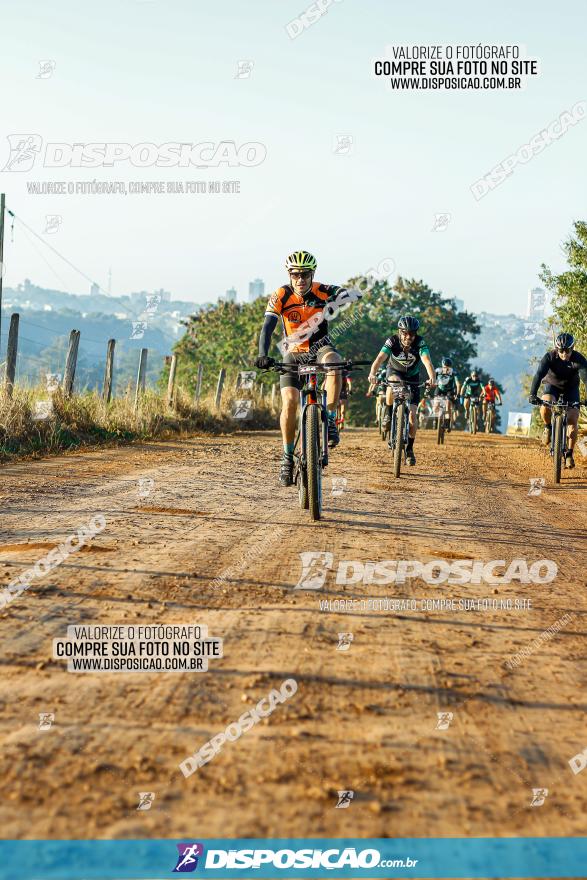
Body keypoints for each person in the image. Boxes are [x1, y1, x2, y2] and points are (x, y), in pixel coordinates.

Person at [254, 250, 361, 486]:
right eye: (296, 275)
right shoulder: (281, 295)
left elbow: (344, 293)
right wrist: (263, 355)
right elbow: (267, 327)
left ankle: (330, 419)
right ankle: (287, 457)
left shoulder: (323, 290)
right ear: (289, 275)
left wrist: (348, 295)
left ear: (312, 274)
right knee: (290, 402)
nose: (300, 279)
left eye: (305, 274)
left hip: (321, 348)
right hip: (292, 353)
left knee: (335, 363)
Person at [368, 315, 435, 465]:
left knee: (412, 417)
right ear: (400, 332)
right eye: (405, 333)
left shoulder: (420, 343)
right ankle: (388, 412)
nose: (408, 337)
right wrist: (373, 373)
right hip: (394, 372)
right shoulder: (392, 341)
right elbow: (379, 358)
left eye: (412, 333)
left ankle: (410, 449)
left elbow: (427, 361)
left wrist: (432, 378)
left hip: (413, 377)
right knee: (393, 383)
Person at [529, 332, 587, 469]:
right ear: (556, 349)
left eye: (567, 350)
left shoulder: (579, 359)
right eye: (561, 350)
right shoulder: (549, 357)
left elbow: (586, 379)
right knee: (545, 405)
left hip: (571, 389)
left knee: (572, 422)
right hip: (552, 386)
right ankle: (548, 427)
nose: (564, 353)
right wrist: (532, 394)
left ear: (572, 348)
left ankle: (569, 454)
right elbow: (538, 375)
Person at [433, 357, 460, 430]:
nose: (446, 369)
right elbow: (432, 379)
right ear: (442, 366)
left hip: (449, 390)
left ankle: (447, 423)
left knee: (448, 404)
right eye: (445, 367)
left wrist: (458, 394)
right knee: (435, 406)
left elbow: (458, 384)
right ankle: (436, 419)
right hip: (440, 389)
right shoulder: (438, 371)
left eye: (448, 368)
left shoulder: (454, 373)